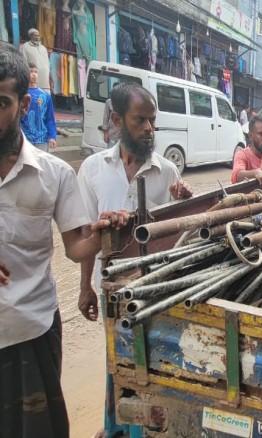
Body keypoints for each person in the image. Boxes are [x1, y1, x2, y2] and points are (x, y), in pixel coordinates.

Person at [0, 42, 124, 437]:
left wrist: (106, 233)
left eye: (1, 102)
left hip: (31, 331)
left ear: (24, 105)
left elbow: (76, 248)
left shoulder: (53, 175)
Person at [77, 82, 194, 320]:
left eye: (152, 120)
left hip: (158, 284)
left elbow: (181, 234)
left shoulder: (168, 171)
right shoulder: (92, 169)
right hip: (113, 286)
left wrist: (183, 201)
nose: (149, 128)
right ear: (117, 120)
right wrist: (84, 286)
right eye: (140, 120)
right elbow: (87, 234)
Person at [20, 63, 56, 152]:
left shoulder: (45, 96)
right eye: (31, 72)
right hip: (25, 139)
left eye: (35, 72)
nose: (34, 74)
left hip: (42, 139)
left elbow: (50, 118)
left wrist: (52, 136)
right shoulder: (21, 95)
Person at [100, 82, 121, 148]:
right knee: (111, 156)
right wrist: (105, 133)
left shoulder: (126, 102)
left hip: (123, 138)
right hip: (112, 136)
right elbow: (105, 118)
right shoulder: (109, 102)